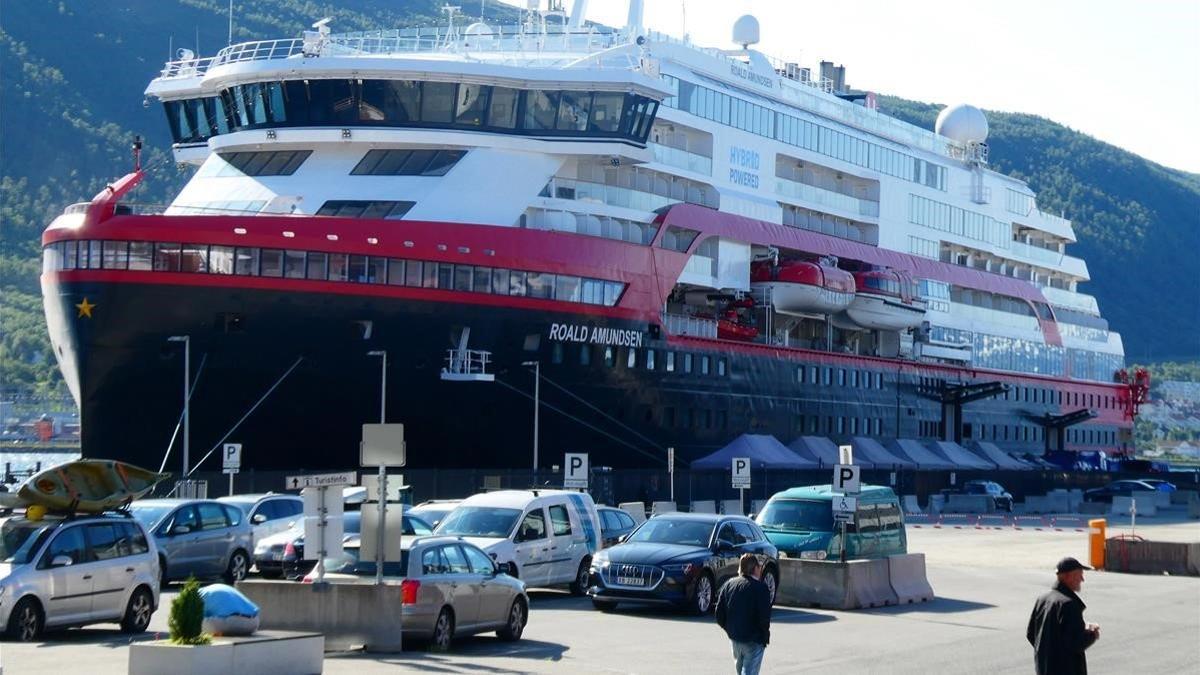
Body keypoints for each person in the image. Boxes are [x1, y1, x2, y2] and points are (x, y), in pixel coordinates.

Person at [1027, 556, 1100, 675]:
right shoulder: (1068, 604)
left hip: (1044, 669)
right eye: (1079, 574)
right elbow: (1075, 642)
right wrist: (1092, 633)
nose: (1082, 579)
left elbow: (1032, 634)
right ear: (1067, 576)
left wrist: (1048, 652)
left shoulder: (1043, 599)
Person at [715, 553, 772, 675]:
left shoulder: (729, 584)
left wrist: (729, 629)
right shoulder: (761, 588)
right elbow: (764, 617)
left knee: (740, 671)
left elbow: (719, 613)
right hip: (753, 639)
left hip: (735, 638)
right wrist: (764, 636)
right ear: (756, 568)